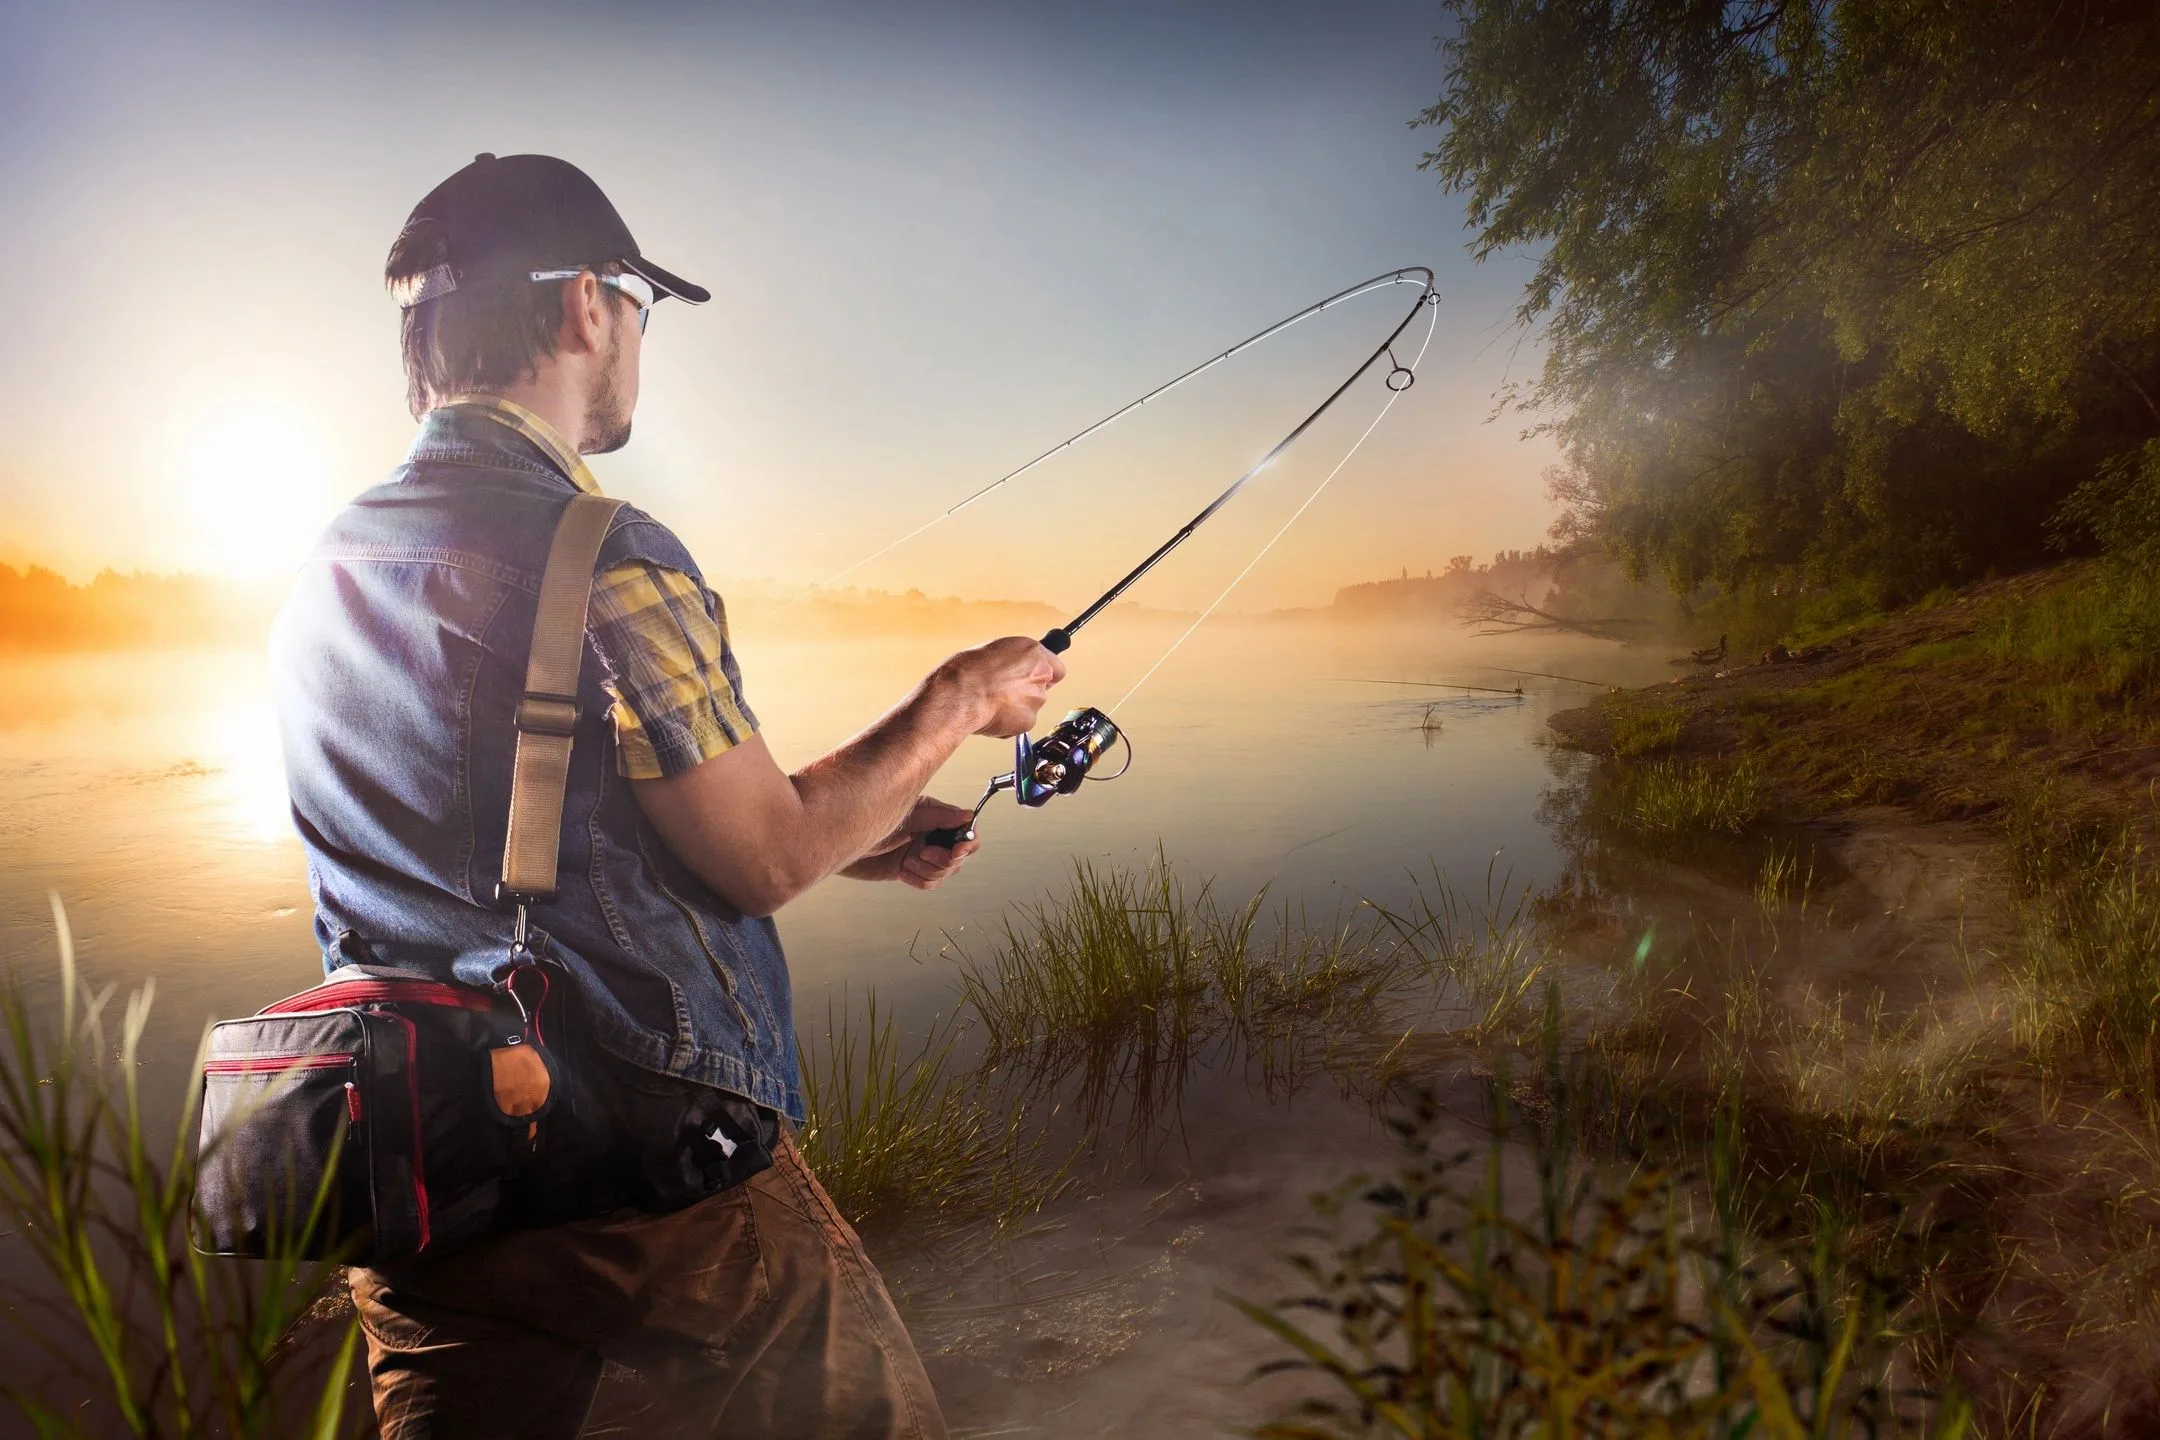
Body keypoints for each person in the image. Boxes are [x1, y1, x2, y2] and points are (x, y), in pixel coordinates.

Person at [270, 152, 1064, 1439]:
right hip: (636, 1174)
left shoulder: (328, 565)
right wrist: (960, 699)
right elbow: (759, 859)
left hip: (415, 1170)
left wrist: (861, 837)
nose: (642, 336)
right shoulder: (605, 548)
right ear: (587, 304)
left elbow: (515, 840)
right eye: (640, 302)